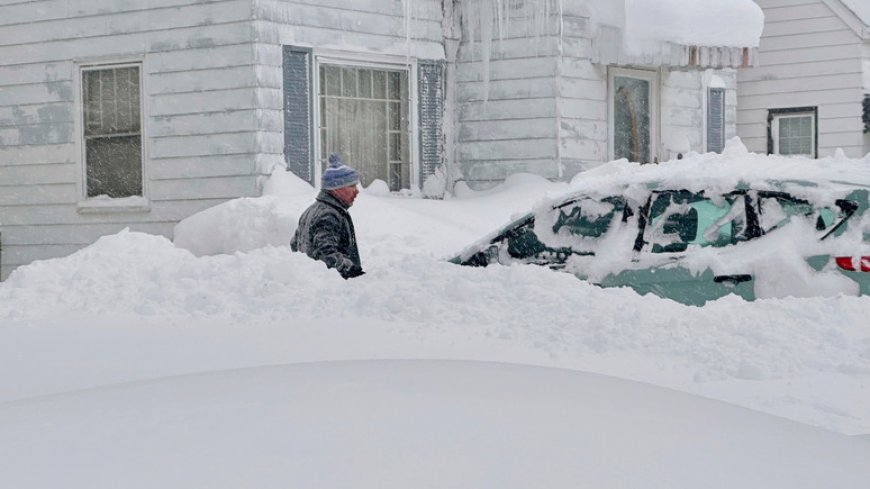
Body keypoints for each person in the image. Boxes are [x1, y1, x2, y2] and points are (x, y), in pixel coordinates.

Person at [291, 153, 364, 279]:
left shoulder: (311, 210)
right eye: (352, 186)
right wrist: (350, 270)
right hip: (331, 289)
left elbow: (294, 244)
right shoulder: (329, 215)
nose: (357, 191)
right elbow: (325, 254)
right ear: (336, 189)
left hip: (312, 284)